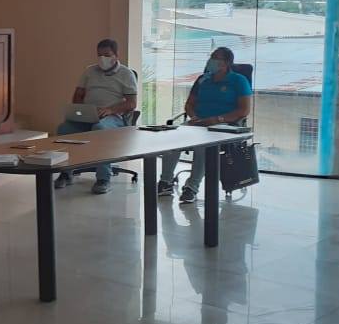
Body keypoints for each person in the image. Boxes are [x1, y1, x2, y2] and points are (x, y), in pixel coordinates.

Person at [158, 47, 252, 204]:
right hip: (198, 122)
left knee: (202, 145)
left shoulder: (239, 81)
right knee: (172, 139)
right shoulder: (203, 79)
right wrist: (194, 117)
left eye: (216, 58)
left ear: (226, 63)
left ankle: (191, 188)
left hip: (224, 125)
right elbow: (189, 104)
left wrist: (217, 119)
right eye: (211, 57)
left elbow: (244, 110)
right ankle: (165, 182)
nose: (211, 60)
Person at [53, 39, 137, 194]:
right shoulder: (89, 71)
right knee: (64, 129)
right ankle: (66, 173)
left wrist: (110, 110)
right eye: (99, 55)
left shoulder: (126, 74)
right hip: (89, 114)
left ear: (116, 55)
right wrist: (80, 111)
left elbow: (131, 104)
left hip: (113, 117)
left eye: (107, 55)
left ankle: (104, 178)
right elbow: (78, 95)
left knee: (99, 128)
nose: (102, 59)